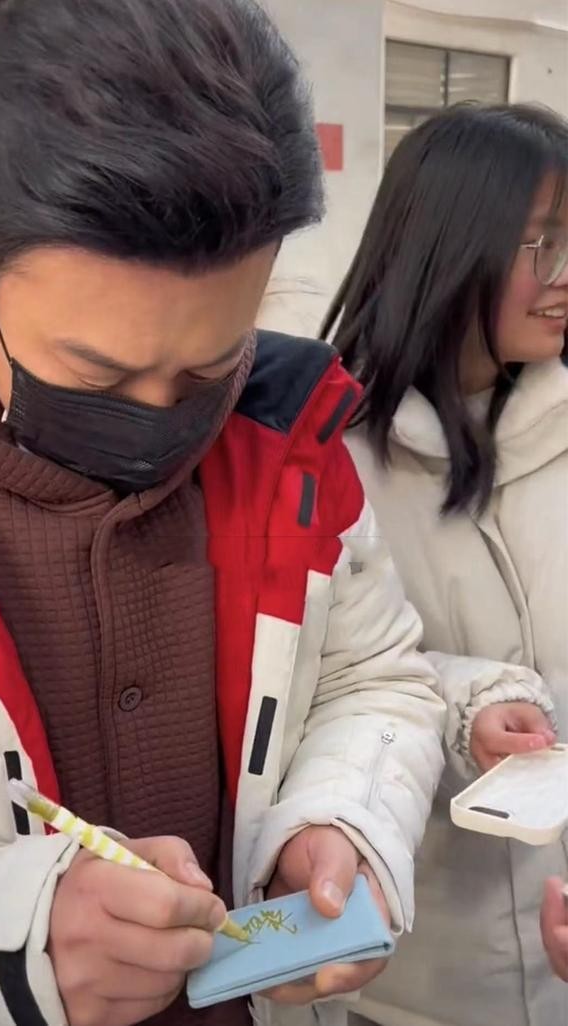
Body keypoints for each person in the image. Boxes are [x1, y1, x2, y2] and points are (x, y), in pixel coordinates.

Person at [0, 2, 446, 1026]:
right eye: (95, 373)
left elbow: (373, 677)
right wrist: (4, 937)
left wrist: (340, 819)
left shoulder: (286, 432)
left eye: (209, 366)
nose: (161, 420)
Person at [321, 102, 568, 1026]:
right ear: (450, 245)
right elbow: (321, 682)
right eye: (544, 243)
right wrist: (470, 706)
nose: (565, 275)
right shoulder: (326, 461)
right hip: (418, 979)